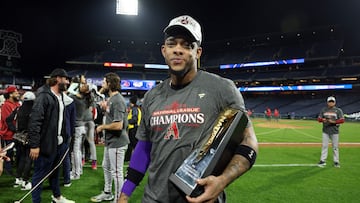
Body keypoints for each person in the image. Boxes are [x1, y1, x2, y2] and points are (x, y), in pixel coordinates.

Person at [118, 15, 258, 203]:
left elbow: (248, 140)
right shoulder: (152, 96)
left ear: (198, 52)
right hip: (153, 198)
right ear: (164, 50)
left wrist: (222, 180)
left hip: (200, 199)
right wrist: (124, 194)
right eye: (172, 44)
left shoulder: (222, 89)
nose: (178, 50)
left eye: (186, 45)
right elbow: (144, 149)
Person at [28, 68, 75, 203]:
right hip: (45, 144)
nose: (67, 82)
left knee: (55, 172)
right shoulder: (43, 95)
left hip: (58, 143)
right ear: (57, 79)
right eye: (65, 79)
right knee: (39, 174)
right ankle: (36, 201)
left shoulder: (60, 96)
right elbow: (35, 121)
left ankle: (57, 197)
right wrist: (35, 145)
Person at [91, 72, 129, 203]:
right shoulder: (112, 99)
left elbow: (118, 125)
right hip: (111, 141)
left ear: (110, 84)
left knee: (117, 172)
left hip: (118, 142)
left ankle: (119, 200)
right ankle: (108, 193)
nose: (102, 84)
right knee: (106, 166)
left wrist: (102, 127)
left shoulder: (118, 100)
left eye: (104, 82)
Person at [6, 91, 36, 190]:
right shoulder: (34, 111)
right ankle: (25, 182)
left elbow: (8, 119)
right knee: (28, 159)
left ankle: (18, 179)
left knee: (22, 158)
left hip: (18, 137)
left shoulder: (18, 109)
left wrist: (14, 130)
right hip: (28, 137)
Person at [317, 96, 344, 168]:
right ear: (327, 102)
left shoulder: (338, 110)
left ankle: (336, 161)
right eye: (330, 102)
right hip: (325, 130)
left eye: (332, 102)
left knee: (335, 147)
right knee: (324, 146)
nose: (331, 103)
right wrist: (323, 120)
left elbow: (342, 120)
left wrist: (334, 121)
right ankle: (322, 160)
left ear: (335, 102)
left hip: (335, 131)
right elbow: (319, 119)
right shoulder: (324, 110)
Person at [0, 85, 21, 176]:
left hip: (17, 133)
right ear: (10, 94)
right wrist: (15, 130)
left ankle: (16, 168)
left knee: (18, 152)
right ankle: (8, 171)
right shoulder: (5, 105)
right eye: (16, 92)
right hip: (7, 133)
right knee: (8, 153)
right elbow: (6, 121)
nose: (18, 94)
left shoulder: (18, 104)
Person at [125, 95, 141, 162]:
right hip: (135, 128)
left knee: (133, 144)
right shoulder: (137, 109)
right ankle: (128, 158)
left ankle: (134, 158)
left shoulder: (134, 109)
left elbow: (134, 119)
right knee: (132, 144)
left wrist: (126, 121)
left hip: (133, 129)